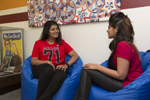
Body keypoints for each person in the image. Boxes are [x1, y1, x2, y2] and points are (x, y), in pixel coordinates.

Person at [74, 12, 143, 100]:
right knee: (87, 70)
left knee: (87, 71)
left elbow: (121, 75)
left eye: (109, 27)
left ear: (116, 29)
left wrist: (98, 67)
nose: (107, 30)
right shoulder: (125, 44)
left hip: (128, 84)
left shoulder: (123, 45)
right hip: (126, 81)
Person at [31, 20, 79, 100]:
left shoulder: (62, 43)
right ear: (47, 31)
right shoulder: (38, 43)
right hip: (42, 69)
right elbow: (33, 61)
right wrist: (47, 62)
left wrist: (66, 65)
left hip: (57, 68)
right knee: (48, 69)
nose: (56, 31)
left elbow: (75, 55)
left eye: (57, 29)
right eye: (53, 29)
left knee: (61, 74)